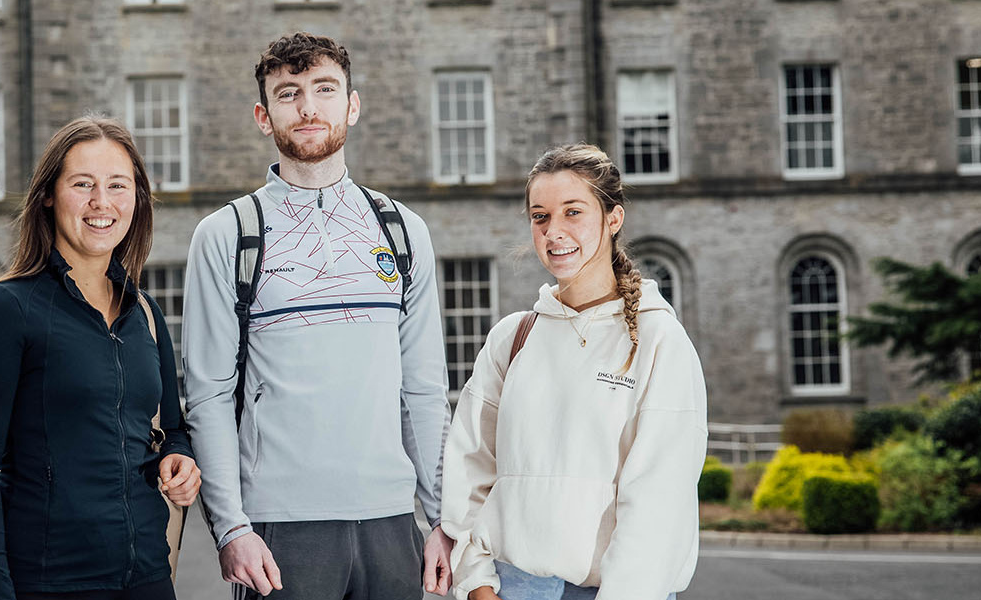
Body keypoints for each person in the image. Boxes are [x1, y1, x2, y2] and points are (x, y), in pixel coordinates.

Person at [181, 32, 455, 600]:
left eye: (324, 89)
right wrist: (231, 526)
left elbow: (424, 390)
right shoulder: (226, 235)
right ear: (264, 115)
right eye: (289, 93)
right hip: (281, 530)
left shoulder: (403, 232)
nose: (308, 107)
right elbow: (206, 393)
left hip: (390, 523)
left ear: (352, 105)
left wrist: (443, 519)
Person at [440, 144, 707, 600]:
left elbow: (659, 500)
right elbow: (471, 466)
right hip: (511, 587)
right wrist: (477, 585)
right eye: (540, 216)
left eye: (573, 212)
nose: (553, 231)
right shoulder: (513, 338)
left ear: (613, 219)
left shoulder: (658, 340)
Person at [0, 116, 202, 600]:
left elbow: (172, 429)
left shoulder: (144, 312)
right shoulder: (4, 310)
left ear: (137, 198)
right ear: (48, 195)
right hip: (46, 582)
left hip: (148, 577)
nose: (101, 203)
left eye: (117, 185)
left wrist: (179, 459)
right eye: (82, 184)